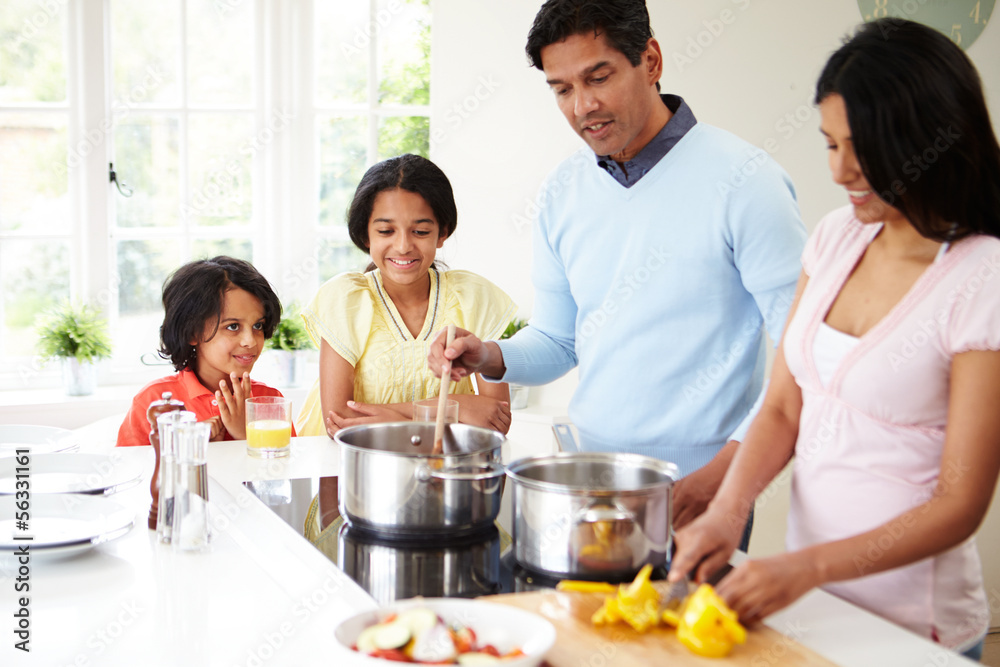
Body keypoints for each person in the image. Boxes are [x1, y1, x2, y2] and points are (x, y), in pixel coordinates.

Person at [669, 19, 1000, 660]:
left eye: (863, 147)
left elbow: (962, 503)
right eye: (829, 144)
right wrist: (729, 512)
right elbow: (784, 408)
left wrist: (806, 568)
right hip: (813, 612)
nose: (842, 170)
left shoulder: (981, 275)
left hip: (915, 625)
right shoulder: (834, 238)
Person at [427, 0, 806, 536]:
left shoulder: (747, 181)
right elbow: (561, 341)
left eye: (597, 77)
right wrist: (488, 355)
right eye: (562, 89)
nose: (583, 106)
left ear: (650, 61)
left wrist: (725, 478)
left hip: (701, 493)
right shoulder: (562, 192)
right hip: (590, 484)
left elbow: (805, 357)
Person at [295, 153, 517, 437]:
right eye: (386, 230)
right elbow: (339, 422)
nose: (402, 246)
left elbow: (496, 418)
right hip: (349, 469)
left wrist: (392, 415)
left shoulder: (473, 298)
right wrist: (456, 408)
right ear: (366, 235)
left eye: (421, 231)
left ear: (442, 233)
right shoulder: (346, 300)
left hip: (441, 469)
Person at [117, 256, 290, 446]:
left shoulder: (270, 401)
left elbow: (288, 471)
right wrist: (193, 446)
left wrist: (246, 436)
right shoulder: (153, 402)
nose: (250, 341)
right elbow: (132, 472)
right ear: (192, 332)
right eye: (233, 326)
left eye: (258, 325)